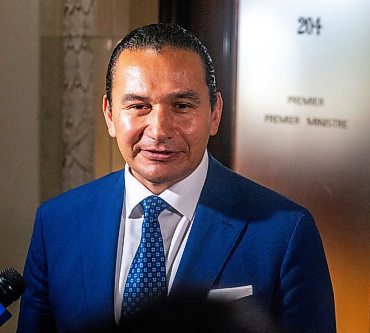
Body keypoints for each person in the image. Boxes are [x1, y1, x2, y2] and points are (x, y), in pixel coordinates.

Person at [18, 23, 335, 332]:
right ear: (110, 115)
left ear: (215, 114)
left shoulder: (284, 232)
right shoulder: (57, 223)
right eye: (139, 106)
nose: (159, 130)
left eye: (182, 105)